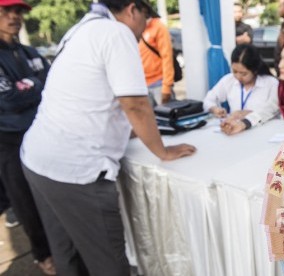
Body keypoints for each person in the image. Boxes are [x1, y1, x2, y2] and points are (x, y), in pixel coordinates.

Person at [20, 1, 196, 275]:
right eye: (146, 19)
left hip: (38, 158)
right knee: (108, 264)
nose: (144, 30)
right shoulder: (116, 33)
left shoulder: (82, 28)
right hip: (76, 171)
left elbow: (94, 99)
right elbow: (135, 105)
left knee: (69, 257)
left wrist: (131, 132)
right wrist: (162, 151)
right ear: (132, 9)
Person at [0, 0, 55, 274]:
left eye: (18, 11)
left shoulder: (29, 51)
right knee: (25, 202)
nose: (14, 17)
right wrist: (36, 84)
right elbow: (8, 99)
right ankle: (43, 254)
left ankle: (57, 246)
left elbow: (54, 82)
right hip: (10, 143)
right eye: (5, 11)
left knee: (51, 195)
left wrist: (30, 86)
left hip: (43, 136)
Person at [203, 44, 279, 135]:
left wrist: (248, 114)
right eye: (235, 71)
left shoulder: (271, 84)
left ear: (255, 70)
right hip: (234, 133)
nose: (238, 77)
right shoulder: (229, 80)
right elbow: (208, 99)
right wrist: (214, 109)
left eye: (243, 73)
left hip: (263, 134)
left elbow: (273, 110)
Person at [139, 11, 175, 106]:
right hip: (142, 86)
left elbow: (167, 57)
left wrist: (166, 87)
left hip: (159, 83)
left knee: (166, 117)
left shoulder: (158, 26)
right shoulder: (133, 28)